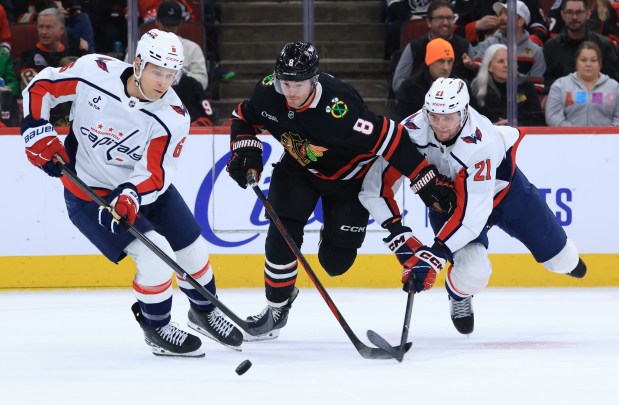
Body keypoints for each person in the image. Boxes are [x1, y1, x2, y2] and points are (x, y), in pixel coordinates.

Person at [21, 29, 243, 357]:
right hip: (89, 192)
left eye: (171, 75)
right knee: (155, 255)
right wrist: (35, 129)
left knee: (193, 250)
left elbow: (155, 174)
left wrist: (131, 194)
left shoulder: (173, 116)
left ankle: (204, 312)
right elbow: (41, 87)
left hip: (146, 190)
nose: (163, 82)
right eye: (157, 71)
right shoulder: (93, 71)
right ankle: (156, 327)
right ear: (138, 63)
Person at [226, 41, 457, 340]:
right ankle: (277, 307)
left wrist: (424, 180)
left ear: (314, 79)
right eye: (285, 83)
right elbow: (242, 117)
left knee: (335, 264)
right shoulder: (268, 92)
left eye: (299, 84)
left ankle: (332, 233)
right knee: (282, 233)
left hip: (350, 181)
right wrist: (246, 151)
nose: (291, 92)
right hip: (298, 171)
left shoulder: (341, 107)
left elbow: (394, 138)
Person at [359, 77, 587, 335]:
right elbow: (373, 189)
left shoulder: (481, 144)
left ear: (465, 112)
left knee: (563, 260)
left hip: (507, 195)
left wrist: (434, 256)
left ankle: (565, 261)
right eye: (434, 116)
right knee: (474, 274)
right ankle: (459, 295)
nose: (441, 126)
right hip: (449, 205)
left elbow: (471, 218)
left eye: (449, 118)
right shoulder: (410, 131)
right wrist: (398, 235)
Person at [392, 0, 475, 94]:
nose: (445, 22)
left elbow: (475, 82)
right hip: (419, 100)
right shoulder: (414, 47)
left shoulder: (465, 46)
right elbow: (398, 82)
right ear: (429, 22)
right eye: (440, 18)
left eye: (450, 18)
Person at [471, 1, 546, 93]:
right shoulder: (488, 44)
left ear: (521, 21)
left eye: (507, 14)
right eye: (500, 14)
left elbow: (537, 87)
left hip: (521, 103)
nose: (501, 18)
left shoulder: (536, 51)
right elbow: (477, 74)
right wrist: (474, 65)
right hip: (490, 100)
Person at [543, 0, 618, 89]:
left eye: (579, 12)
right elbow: (548, 84)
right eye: (569, 12)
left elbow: (612, 83)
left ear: (588, 13)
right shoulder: (551, 47)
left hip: (597, 99)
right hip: (563, 99)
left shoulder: (604, 45)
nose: (574, 17)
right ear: (563, 15)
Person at [545, 40, 619, 126]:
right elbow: (552, 117)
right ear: (576, 62)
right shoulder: (560, 85)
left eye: (593, 60)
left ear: (600, 63)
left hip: (607, 138)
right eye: (583, 60)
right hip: (569, 138)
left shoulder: (614, 87)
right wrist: (577, 134)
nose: (588, 64)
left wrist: (604, 135)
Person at [470, 44, 545, 125]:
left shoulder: (526, 86)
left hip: (522, 134)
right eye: (501, 61)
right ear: (489, 67)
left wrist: (515, 124)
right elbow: (472, 122)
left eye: (509, 61)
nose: (506, 65)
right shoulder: (477, 88)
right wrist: (493, 126)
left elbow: (539, 120)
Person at [394, 38, 457, 121]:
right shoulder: (410, 88)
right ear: (429, 62)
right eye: (440, 61)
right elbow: (402, 123)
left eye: (450, 61)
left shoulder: (461, 86)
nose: (446, 67)